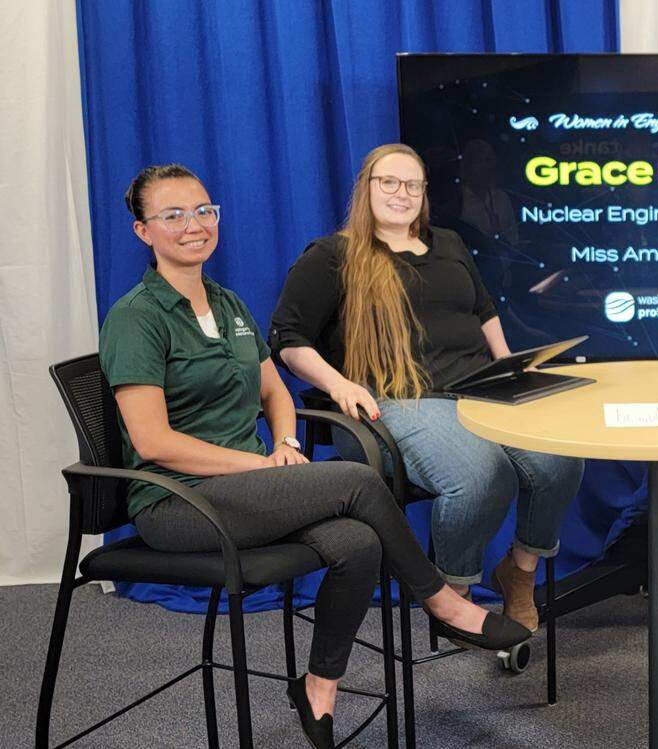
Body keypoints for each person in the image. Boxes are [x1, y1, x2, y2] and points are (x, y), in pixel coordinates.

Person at [101, 164, 530, 749]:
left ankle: (318, 686)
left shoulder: (225, 304)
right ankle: (443, 602)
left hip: (247, 489)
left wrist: (285, 444)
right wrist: (262, 466)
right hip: (177, 502)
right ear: (142, 232)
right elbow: (153, 443)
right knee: (355, 481)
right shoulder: (136, 317)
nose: (193, 225)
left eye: (203, 211)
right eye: (172, 215)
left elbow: (274, 390)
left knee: (358, 543)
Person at [270, 144, 584, 633]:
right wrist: (338, 384)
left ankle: (519, 573)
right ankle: (453, 594)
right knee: (482, 473)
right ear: (366, 189)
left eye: (413, 185)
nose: (402, 193)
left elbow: (484, 311)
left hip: (480, 388)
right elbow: (287, 340)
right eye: (389, 183)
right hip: (396, 399)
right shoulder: (332, 256)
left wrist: (510, 368)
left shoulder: (450, 244)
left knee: (562, 457)